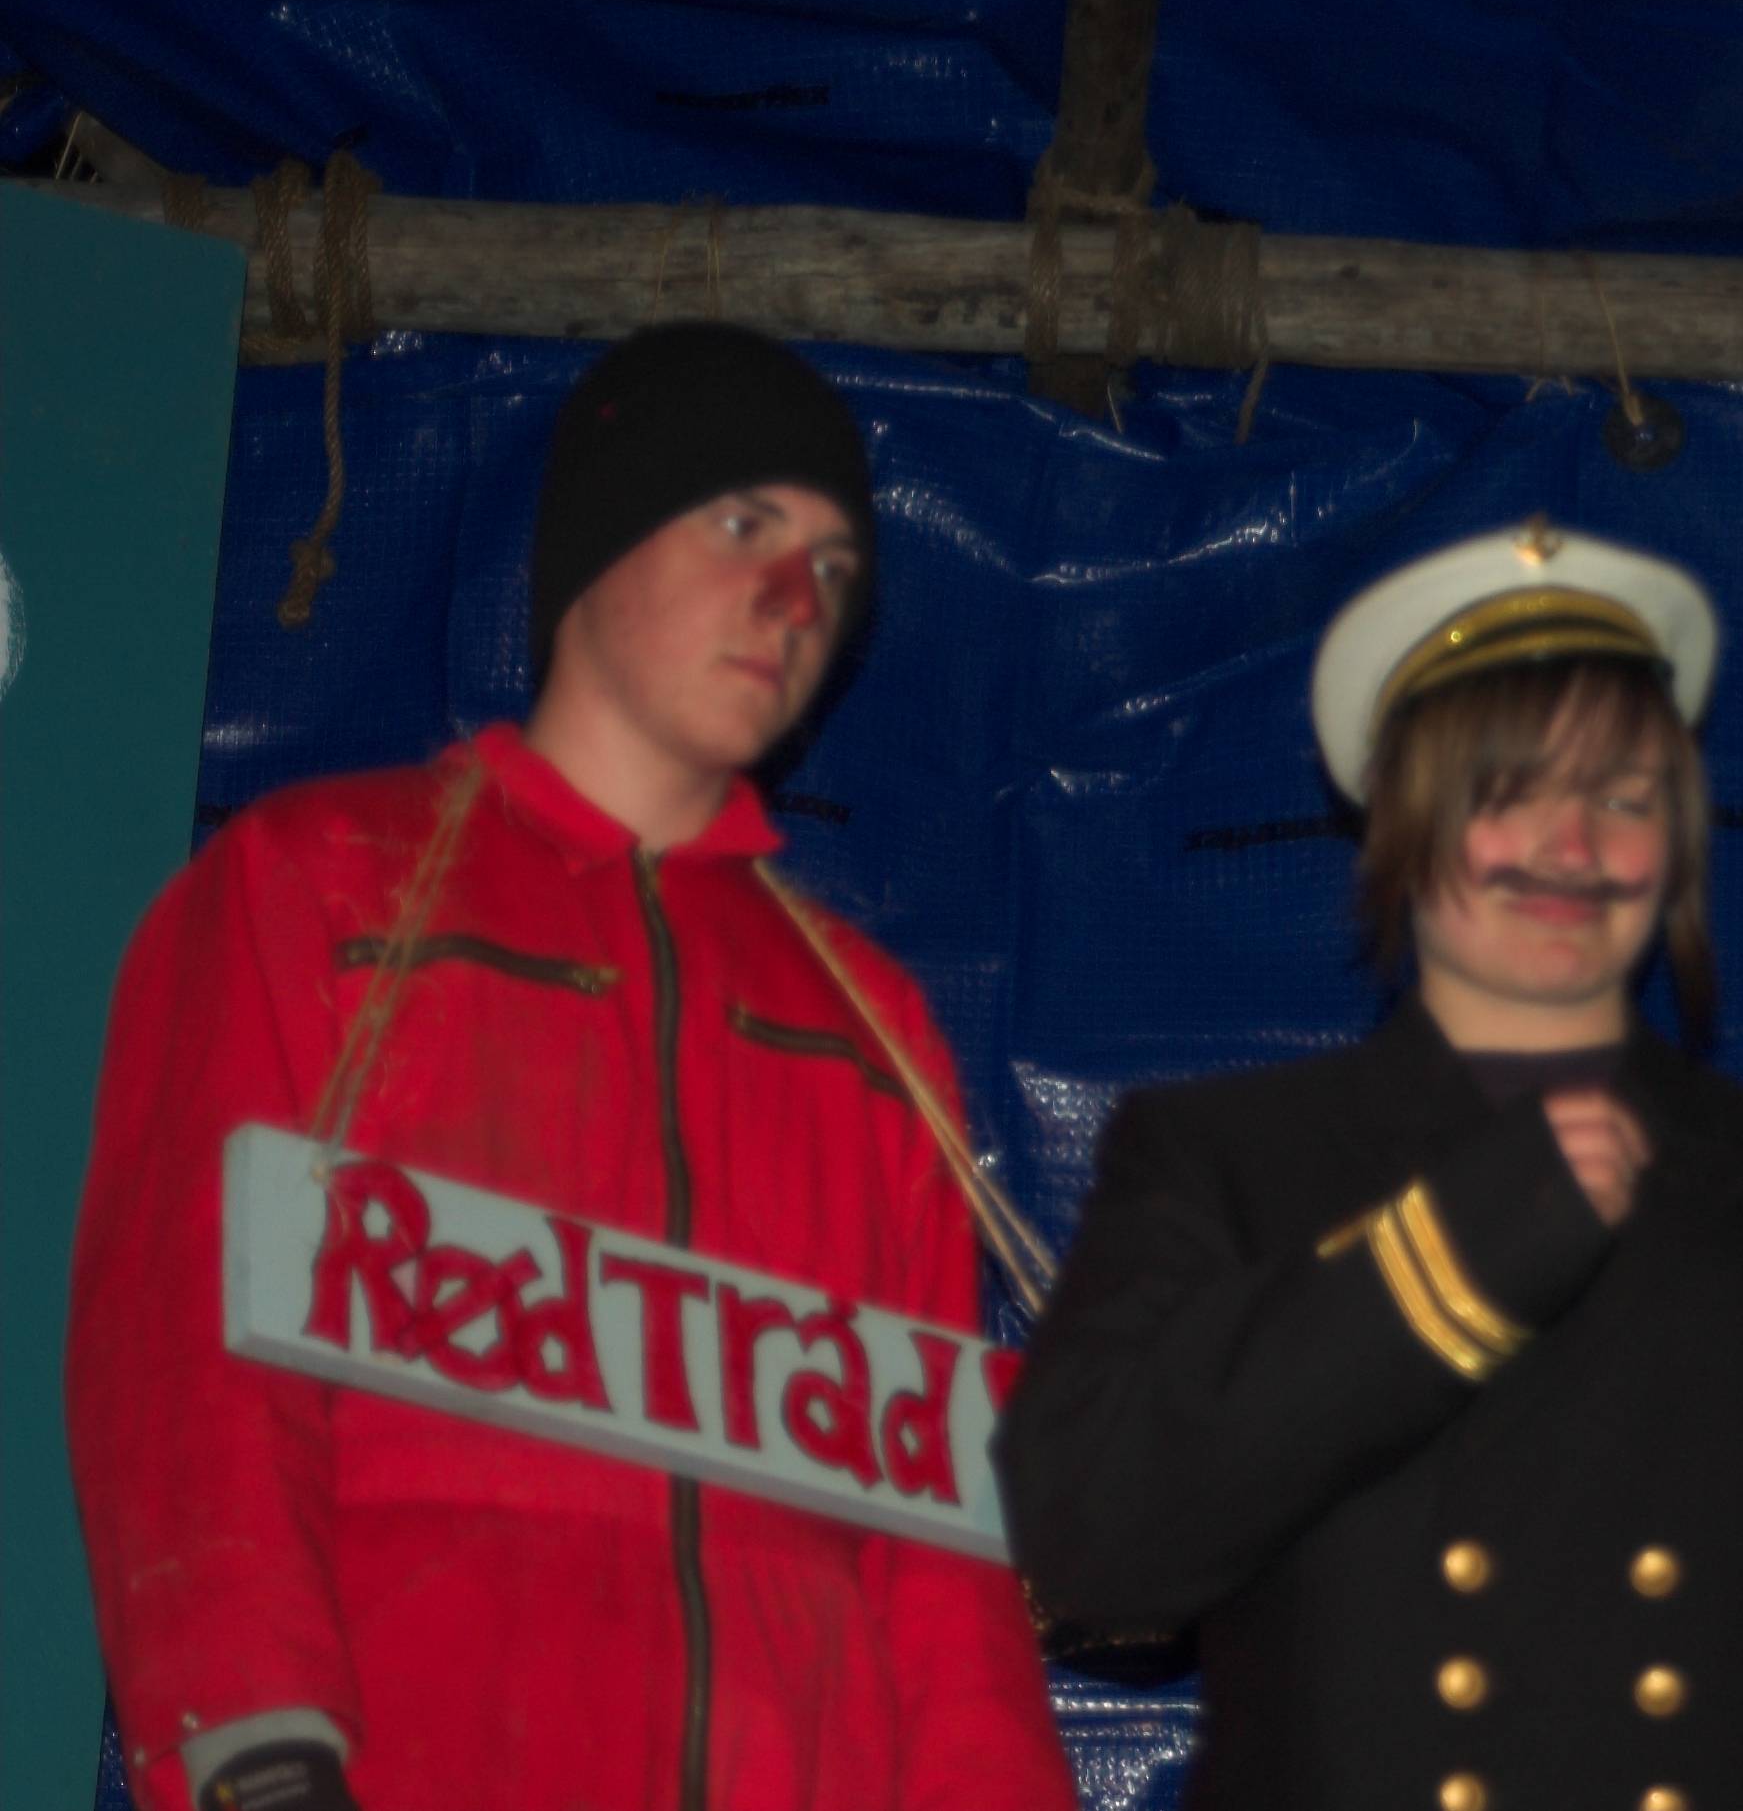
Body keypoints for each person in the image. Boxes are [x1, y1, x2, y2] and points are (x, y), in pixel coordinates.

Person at [66, 323, 1077, 1811]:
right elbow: (183, 1364)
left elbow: (942, 1565)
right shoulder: (316, 887)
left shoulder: (872, 1030)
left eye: (835, 565)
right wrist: (259, 1757)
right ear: (600, 538)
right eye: (744, 524)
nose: (797, 600)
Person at [1001, 518, 1743, 1811]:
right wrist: (1456, 1251)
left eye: (1623, 796)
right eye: (1510, 791)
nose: (1574, 847)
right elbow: (1087, 1553)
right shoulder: (1223, 1160)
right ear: (1400, 818)